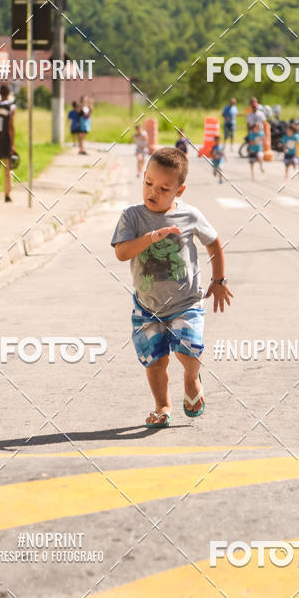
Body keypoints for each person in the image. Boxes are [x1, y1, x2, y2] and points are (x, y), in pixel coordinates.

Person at [111, 147, 233, 428]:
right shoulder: (132, 217)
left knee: (187, 349)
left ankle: (191, 380)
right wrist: (152, 237)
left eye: (164, 188)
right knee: (154, 362)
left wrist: (219, 280)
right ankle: (163, 405)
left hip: (186, 302)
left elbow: (213, 242)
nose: (153, 192)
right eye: (148, 183)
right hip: (147, 307)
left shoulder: (190, 216)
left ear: (180, 190)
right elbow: (121, 252)